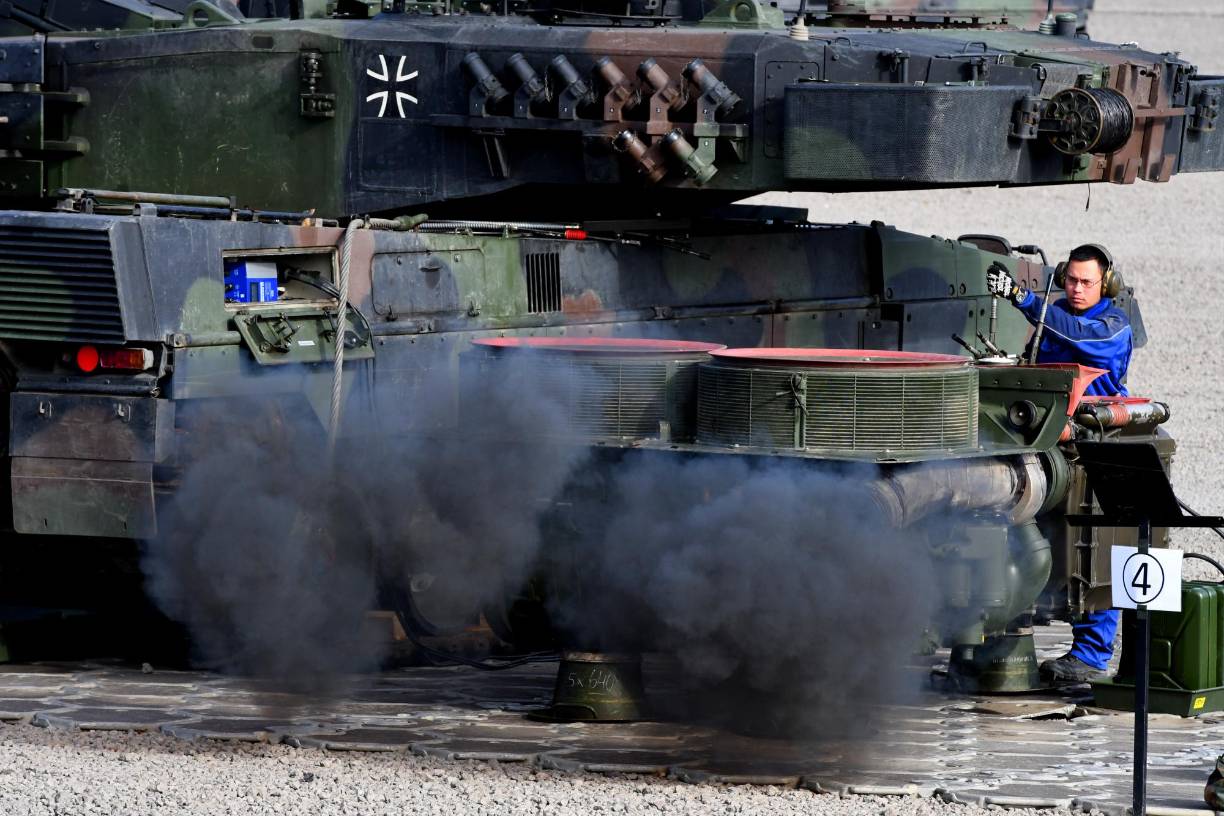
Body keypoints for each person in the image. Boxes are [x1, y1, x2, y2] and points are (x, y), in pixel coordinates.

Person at [986, 244, 1134, 685]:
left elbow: (1080, 339)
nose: (1076, 288)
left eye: (1087, 282)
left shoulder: (1112, 325)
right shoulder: (1055, 317)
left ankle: (1091, 654)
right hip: (1051, 441)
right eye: (1070, 280)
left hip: (1097, 444)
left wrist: (1023, 298)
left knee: (1094, 548)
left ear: (1105, 282)